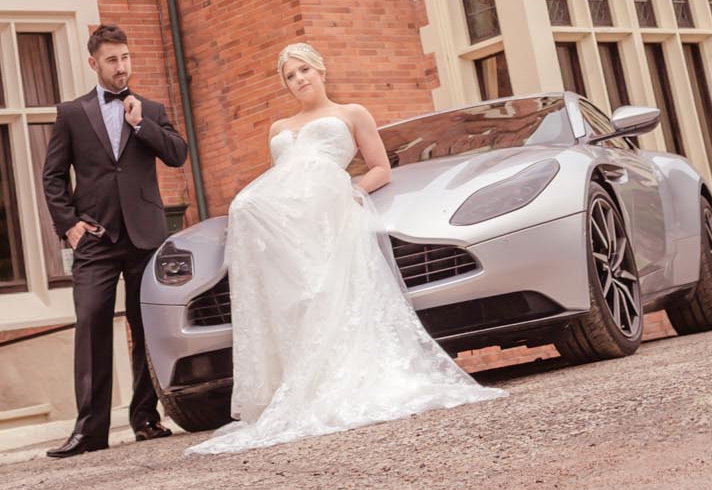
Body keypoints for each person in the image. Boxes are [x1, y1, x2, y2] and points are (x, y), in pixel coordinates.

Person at [189, 41, 502, 455]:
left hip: (330, 209)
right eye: (290, 75)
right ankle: (296, 377)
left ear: (321, 71)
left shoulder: (351, 113)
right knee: (248, 212)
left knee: (327, 294)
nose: (299, 79)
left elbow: (380, 168)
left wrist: (352, 190)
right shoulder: (278, 127)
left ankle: (337, 377)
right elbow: (283, 179)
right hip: (291, 223)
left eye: (304, 70)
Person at [40, 23, 192, 456]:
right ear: (94, 63)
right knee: (90, 325)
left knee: (145, 328)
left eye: (125, 57)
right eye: (112, 60)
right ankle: (90, 431)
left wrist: (143, 126)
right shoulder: (72, 113)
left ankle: (146, 419)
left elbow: (178, 155)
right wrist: (68, 224)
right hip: (96, 240)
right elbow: (52, 175)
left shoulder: (151, 108)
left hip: (146, 237)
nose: (121, 67)